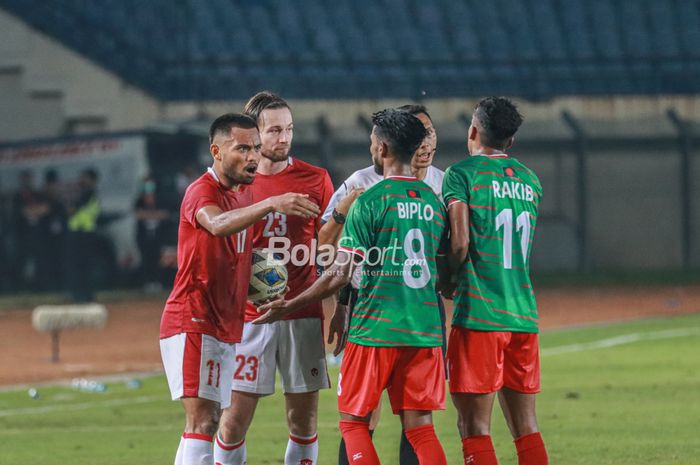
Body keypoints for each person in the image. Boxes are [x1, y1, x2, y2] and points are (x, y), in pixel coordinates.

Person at [256, 108, 449, 465]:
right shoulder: (434, 202)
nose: (372, 145)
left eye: (374, 140)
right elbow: (448, 263)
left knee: (355, 423)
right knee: (422, 428)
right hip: (424, 327)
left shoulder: (368, 201)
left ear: (384, 148)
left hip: (374, 326)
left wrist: (290, 305)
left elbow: (339, 273)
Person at [159, 112, 320, 465]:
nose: (252, 157)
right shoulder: (202, 191)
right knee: (203, 421)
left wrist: (264, 283)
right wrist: (270, 202)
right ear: (216, 151)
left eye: (255, 149)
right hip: (194, 319)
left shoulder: (242, 196)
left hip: (224, 324)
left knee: (209, 419)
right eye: (242, 149)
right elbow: (216, 225)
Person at [317, 104, 443, 465]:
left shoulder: (441, 180)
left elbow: (333, 261)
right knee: (398, 420)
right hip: (405, 314)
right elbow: (326, 244)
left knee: (370, 419)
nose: (426, 141)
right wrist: (342, 305)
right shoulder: (359, 184)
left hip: (383, 318)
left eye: (430, 132)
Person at [215, 92, 334, 465]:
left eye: (290, 129)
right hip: (249, 319)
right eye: (275, 130)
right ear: (254, 135)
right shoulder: (235, 186)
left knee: (303, 419)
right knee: (233, 420)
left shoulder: (316, 179)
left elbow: (330, 247)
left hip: (301, 313)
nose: (284, 138)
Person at [442, 97, 548, 465]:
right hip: (523, 314)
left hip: (479, 314)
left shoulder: (462, 174)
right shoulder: (530, 180)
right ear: (511, 141)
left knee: (474, 428)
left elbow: (459, 242)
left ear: (473, 131)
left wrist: (446, 278)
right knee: (526, 426)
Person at [65, 168, 101, 302]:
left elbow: (71, 210)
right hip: (86, 233)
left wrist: (69, 204)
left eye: (84, 177)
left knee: (79, 266)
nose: (82, 180)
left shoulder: (87, 193)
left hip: (81, 234)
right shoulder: (91, 194)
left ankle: (80, 295)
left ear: (92, 180)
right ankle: (86, 295)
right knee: (85, 266)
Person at [134, 175, 170, 291]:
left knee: (157, 259)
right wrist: (153, 215)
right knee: (146, 259)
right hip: (144, 236)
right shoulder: (139, 200)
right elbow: (138, 215)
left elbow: (165, 214)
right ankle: (147, 283)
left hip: (157, 235)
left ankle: (157, 282)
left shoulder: (161, 199)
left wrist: (147, 215)